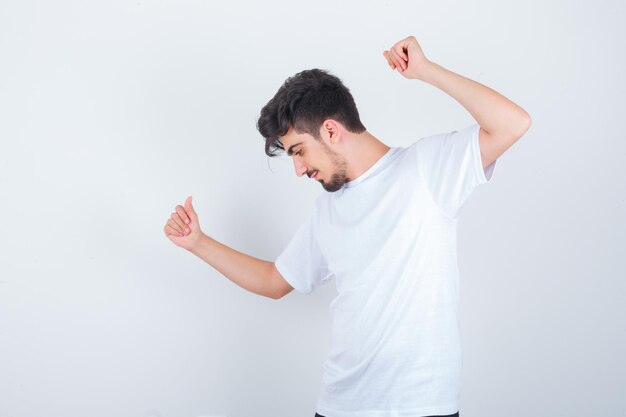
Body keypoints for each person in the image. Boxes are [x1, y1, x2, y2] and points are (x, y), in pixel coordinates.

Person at [163, 35, 531, 417]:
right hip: (340, 406)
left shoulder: (425, 169)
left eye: (298, 151)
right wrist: (198, 243)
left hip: (423, 407)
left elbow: (513, 124)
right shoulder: (327, 210)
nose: (299, 168)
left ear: (332, 130)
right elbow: (275, 281)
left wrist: (425, 71)